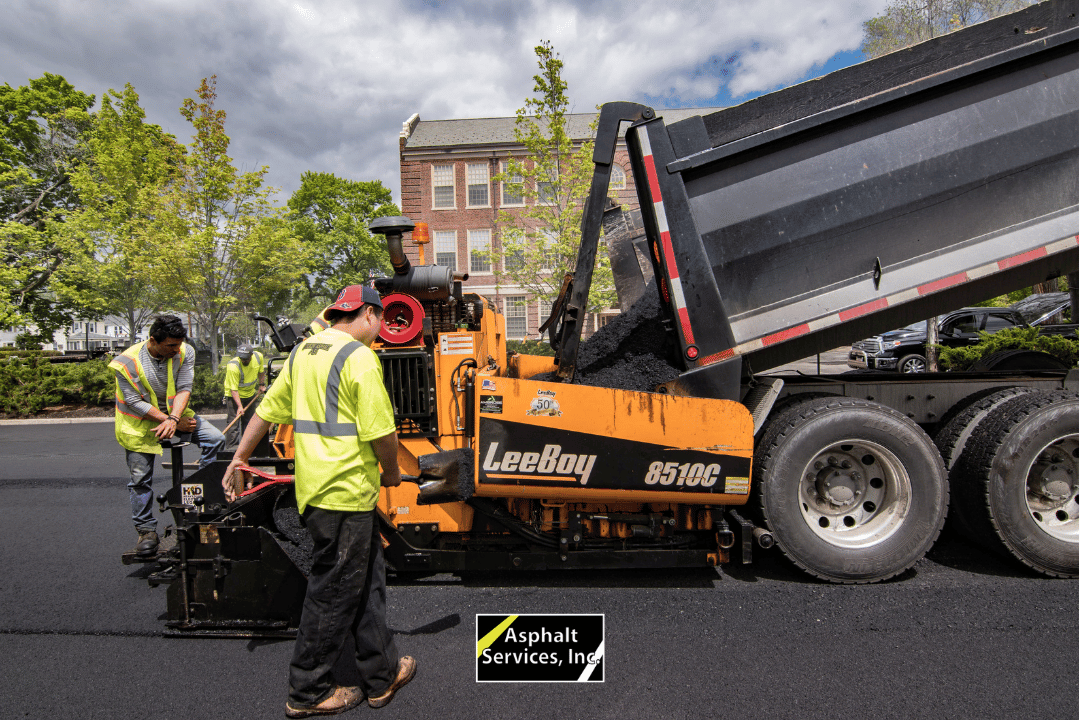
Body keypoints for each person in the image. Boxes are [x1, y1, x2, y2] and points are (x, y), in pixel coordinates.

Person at [222, 285, 415, 717]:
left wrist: (238, 456)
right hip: (344, 494)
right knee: (333, 592)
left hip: (318, 494)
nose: (381, 330)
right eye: (380, 321)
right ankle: (307, 691)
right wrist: (392, 472)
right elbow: (382, 431)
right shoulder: (359, 357)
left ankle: (382, 677)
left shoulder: (304, 352)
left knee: (368, 583)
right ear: (368, 314)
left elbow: (266, 412)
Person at [109, 315, 226, 557]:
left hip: (177, 415)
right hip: (139, 423)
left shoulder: (185, 351)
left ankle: (199, 506)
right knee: (140, 479)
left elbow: (184, 387)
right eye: (171, 345)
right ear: (153, 340)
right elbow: (132, 401)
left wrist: (174, 419)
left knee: (215, 439)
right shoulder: (125, 363)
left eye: (179, 344)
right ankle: (146, 532)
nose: (177, 349)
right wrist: (169, 421)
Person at [222, 343, 266, 448]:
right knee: (234, 425)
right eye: (241, 359)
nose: (243, 361)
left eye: (246, 359)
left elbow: (261, 372)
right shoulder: (233, 366)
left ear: (251, 355)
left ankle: (246, 448)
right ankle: (231, 450)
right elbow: (233, 389)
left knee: (249, 422)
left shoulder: (258, 357)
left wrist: (261, 385)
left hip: (250, 394)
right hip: (234, 397)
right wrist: (239, 406)